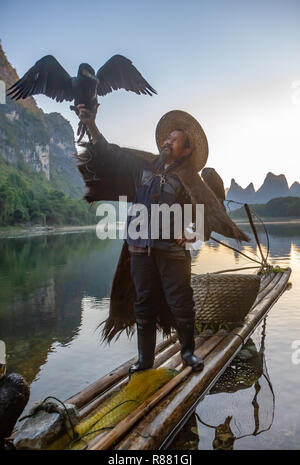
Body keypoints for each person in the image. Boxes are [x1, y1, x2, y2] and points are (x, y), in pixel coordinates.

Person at [75, 104, 250, 374]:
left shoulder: (190, 179)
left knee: (181, 301)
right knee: (142, 302)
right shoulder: (142, 166)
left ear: (187, 149)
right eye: (168, 137)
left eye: (175, 139)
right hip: (139, 248)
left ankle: (188, 353)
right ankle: (145, 360)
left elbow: (206, 212)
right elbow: (111, 154)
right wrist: (92, 125)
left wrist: (192, 231)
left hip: (172, 251)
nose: (168, 141)